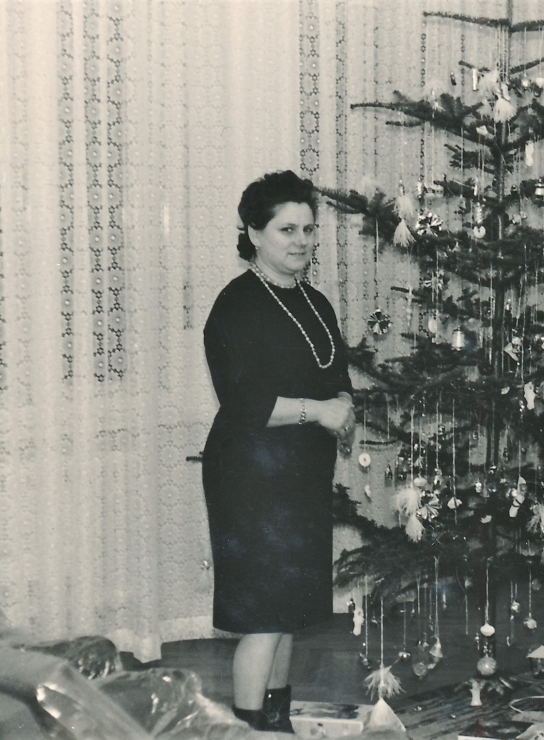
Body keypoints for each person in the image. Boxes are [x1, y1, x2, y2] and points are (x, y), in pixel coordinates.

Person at [202, 170, 355, 732]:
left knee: (289, 612)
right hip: (249, 475)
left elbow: (336, 375)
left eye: (309, 229)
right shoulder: (236, 305)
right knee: (263, 615)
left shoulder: (315, 302)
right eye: (287, 229)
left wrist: (341, 400)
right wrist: (321, 411)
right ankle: (248, 729)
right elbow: (244, 403)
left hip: (300, 474)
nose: (302, 241)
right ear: (254, 232)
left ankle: (278, 722)